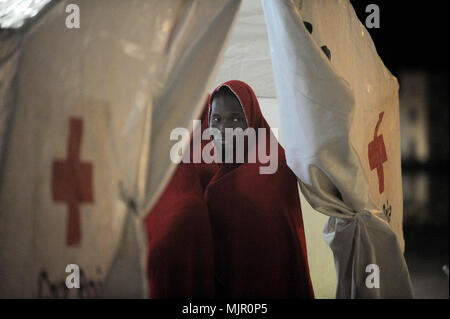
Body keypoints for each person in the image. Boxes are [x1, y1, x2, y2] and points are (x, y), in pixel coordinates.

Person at [145, 80, 314, 298]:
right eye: (216, 120)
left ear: (252, 121)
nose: (224, 130)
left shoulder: (274, 168)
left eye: (235, 119)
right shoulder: (202, 166)